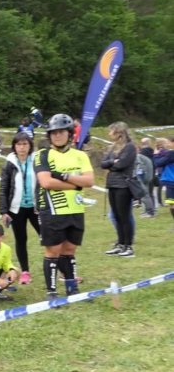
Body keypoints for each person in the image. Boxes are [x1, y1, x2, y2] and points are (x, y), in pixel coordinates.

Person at [34, 113, 94, 300]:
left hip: (75, 210)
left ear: (69, 134)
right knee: (53, 251)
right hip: (52, 210)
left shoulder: (80, 155)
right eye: (53, 133)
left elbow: (90, 180)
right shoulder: (42, 155)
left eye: (61, 132)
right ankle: (52, 291)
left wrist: (64, 176)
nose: (57, 136)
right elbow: (46, 182)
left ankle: (72, 288)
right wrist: (77, 184)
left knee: (69, 250)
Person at [0, 133, 40, 285]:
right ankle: (25, 272)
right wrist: (4, 211)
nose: (22, 147)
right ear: (14, 147)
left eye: (25, 144)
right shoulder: (9, 163)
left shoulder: (37, 161)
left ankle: (62, 269)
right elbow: (4, 188)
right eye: (19, 144)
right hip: (17, 209)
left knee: (48, 237)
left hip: (36, 208)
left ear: (30, 146)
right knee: (21, 239)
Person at [100, 122, 137, 257]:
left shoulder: (130, 147)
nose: (109, 134)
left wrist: (113, 164)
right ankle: (120, 243)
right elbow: (103, 164)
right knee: (116, 215)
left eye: (111, 131)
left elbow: (122, 164)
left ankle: (128, 246)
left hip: (124, 185)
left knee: (124, 216)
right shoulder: (111, 148)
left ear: (119, 132)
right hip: (112, 185)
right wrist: (112, 162)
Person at [153, 137, 174, 230]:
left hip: (171, 181)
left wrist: (156, 155)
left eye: (169, 142)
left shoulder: (171, 153)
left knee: (172, 203)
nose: (168, 144)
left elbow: (158, 163)